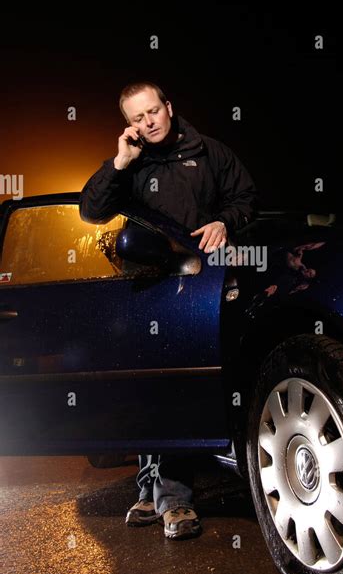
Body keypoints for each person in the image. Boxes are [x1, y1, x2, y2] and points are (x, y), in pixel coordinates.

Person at [79, 81, 258, 539]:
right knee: (150, 392)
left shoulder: (210, 151)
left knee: (177, 389)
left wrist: (224, 221)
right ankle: (151, 489)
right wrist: (119, 162)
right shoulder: (131, 165)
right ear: (128, 123)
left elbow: (246, 200)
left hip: (195, 286)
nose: (148, 123)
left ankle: (171, 499)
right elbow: (90, 211)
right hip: (143, 290)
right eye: (137, 118)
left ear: (169, 107)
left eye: (153, 112)